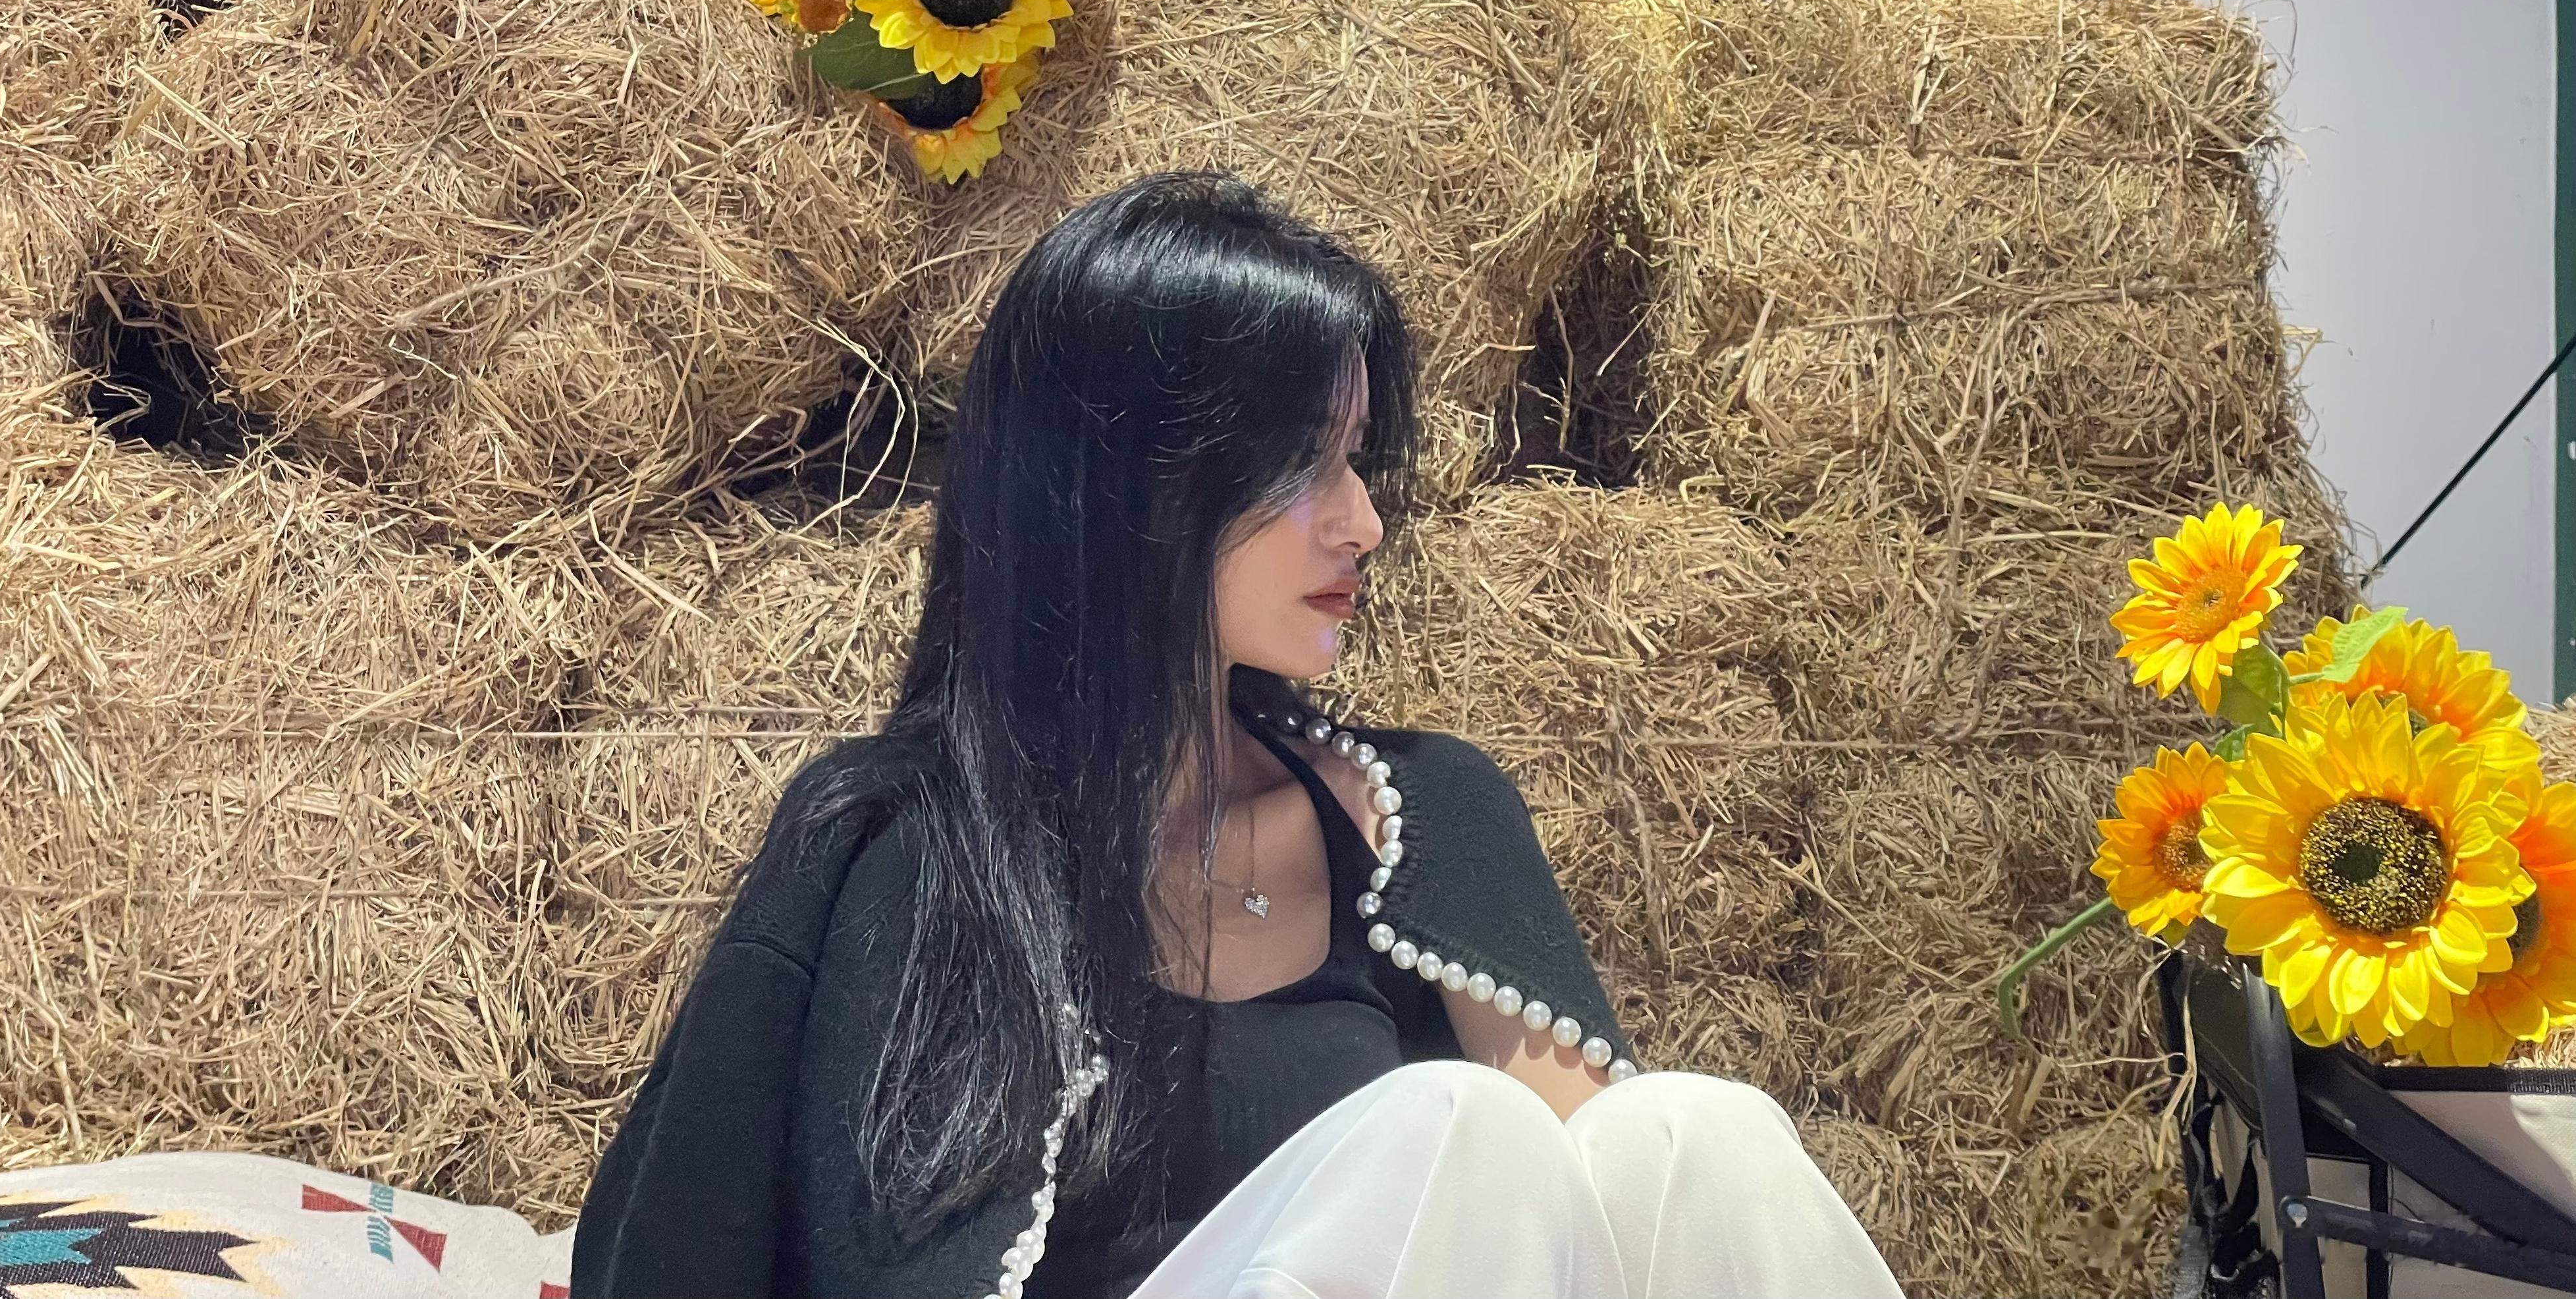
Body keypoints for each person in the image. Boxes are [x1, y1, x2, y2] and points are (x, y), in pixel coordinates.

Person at [570, 172, 1902, 1299]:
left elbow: (1611, 1216)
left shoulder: (1418, 812)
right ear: (1124, 481)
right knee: (1449, 1124)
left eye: (1357, 459)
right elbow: (677, 1243)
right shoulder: (901, 845)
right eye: (1304, 463)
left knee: (1699, 1135)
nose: (1361, 523)